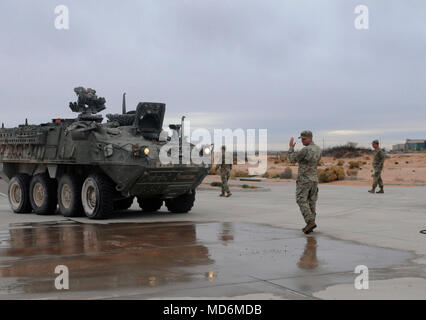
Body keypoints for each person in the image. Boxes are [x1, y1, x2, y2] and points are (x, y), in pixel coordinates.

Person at [288, 130, 322, 234]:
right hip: (314, 179)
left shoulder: (305, 150)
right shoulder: (318, 149)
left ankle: (310, 221)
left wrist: (291, 148)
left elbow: (292, 159)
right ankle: (311, 224)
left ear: (310, 138)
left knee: (301, 200)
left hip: (304, 180)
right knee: (311, 201)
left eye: (304, 139)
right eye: (301, 139)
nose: (302, 141)